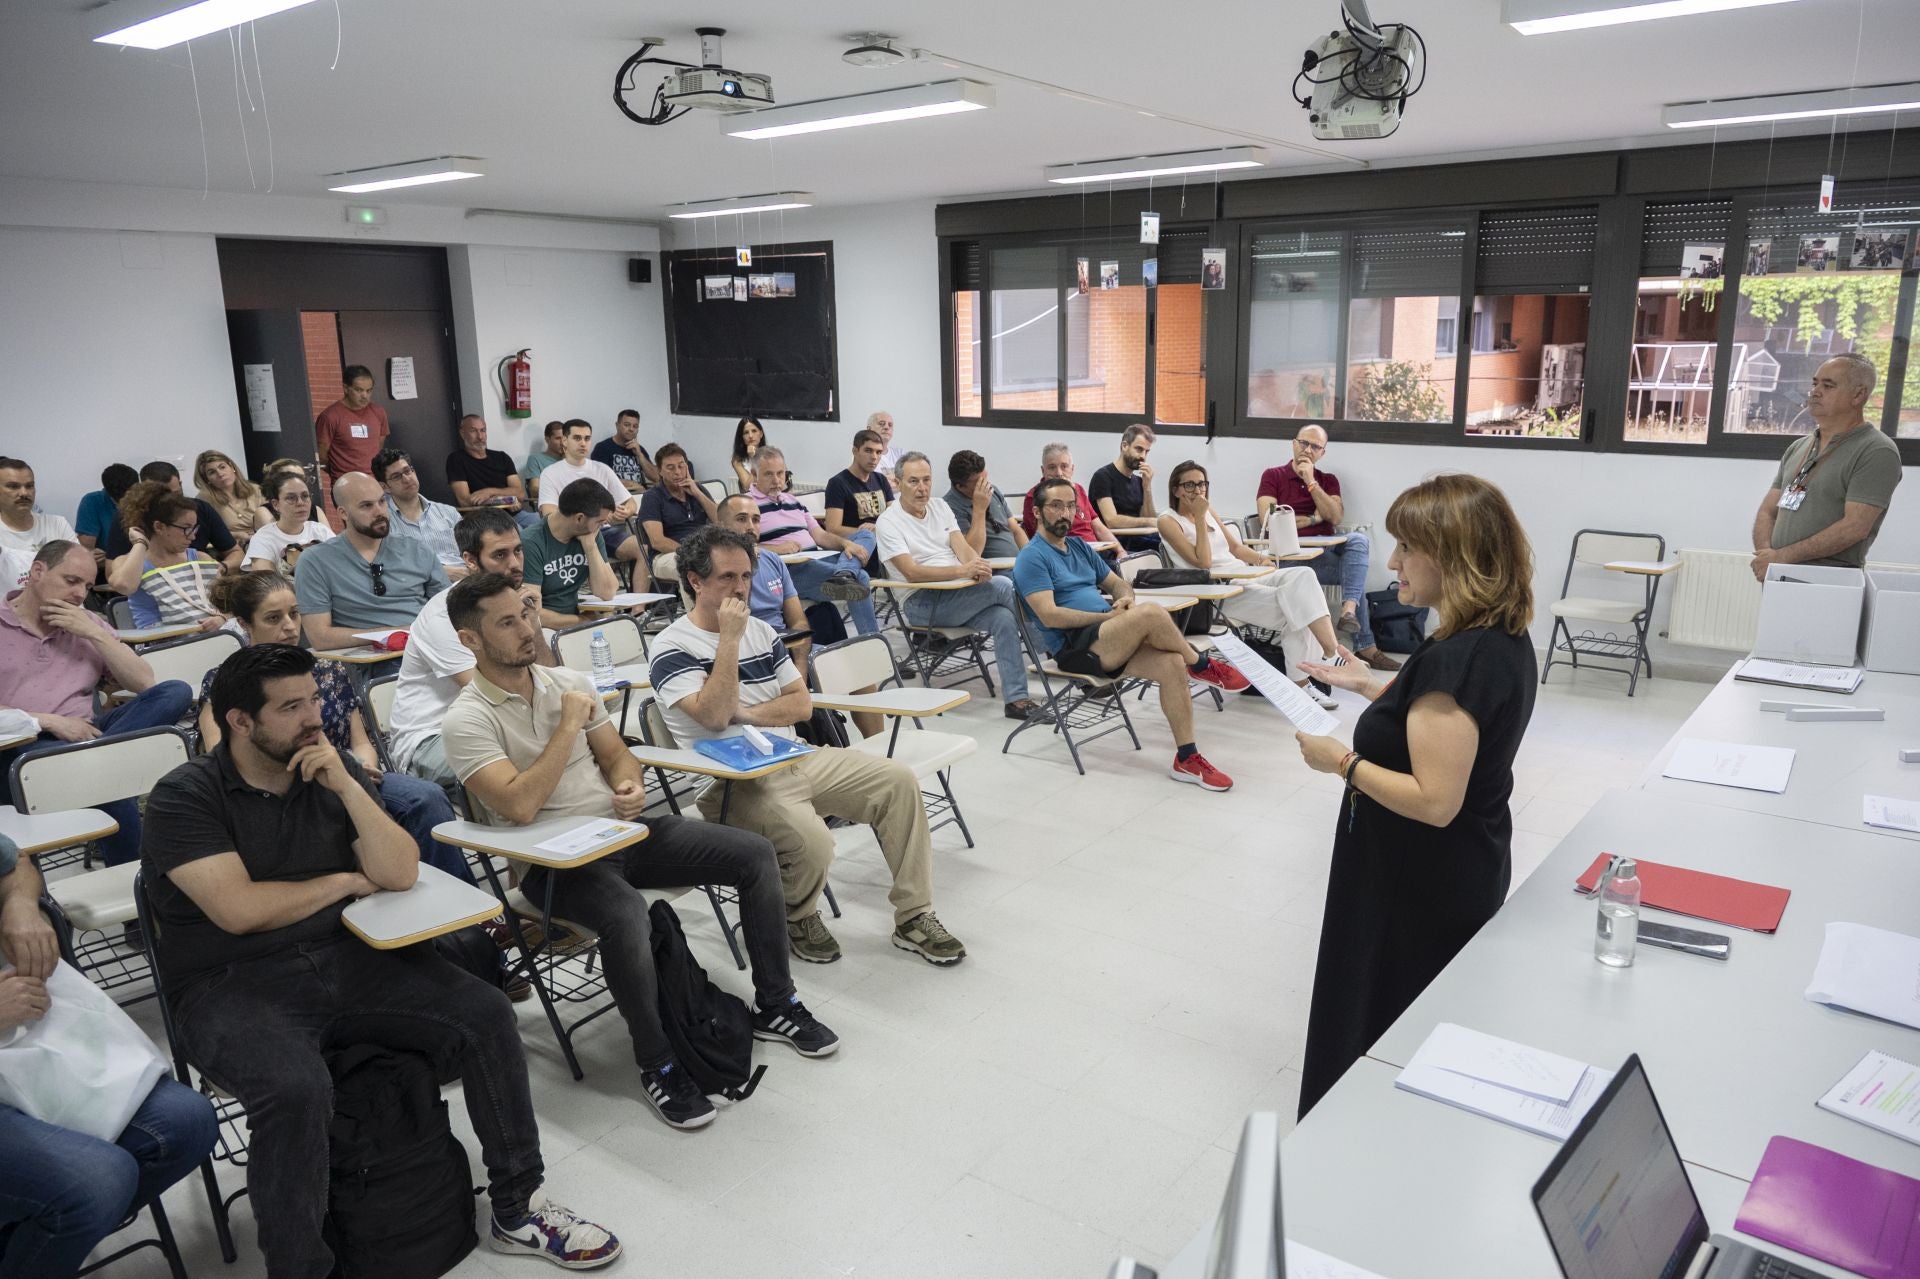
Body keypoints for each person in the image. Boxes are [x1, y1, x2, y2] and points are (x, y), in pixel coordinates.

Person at [141, 644, 621, 1272]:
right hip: (228, 982)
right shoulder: (185, 796)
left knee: (485, 1013)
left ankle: (518, 1205)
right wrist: (342, 884)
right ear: (239, 721)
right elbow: (239, 911)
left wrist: (346, 783)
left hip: (346, 953)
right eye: (292, 707)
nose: (315, 717)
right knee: (296, 1089)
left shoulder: (325, 765)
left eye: (314, 699)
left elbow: (397, 873)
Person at [441, 573, 838, 1130]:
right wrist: (568, 726)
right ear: (470, 640)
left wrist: (628, 785)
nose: (527, 629)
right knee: (629, 913)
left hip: (619, 832)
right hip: (553, 862)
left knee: (752, 854)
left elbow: (618, 758)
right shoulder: (466, 719)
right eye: (507, 622)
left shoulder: (566, 680)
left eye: (527, 614)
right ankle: (658, 1062)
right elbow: (520, 806)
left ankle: (776, 1003)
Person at [1292, 473, 1538, 1118]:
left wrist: (1341, 761)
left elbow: (1434, 799)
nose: (1394, 562)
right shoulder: (1494, 640)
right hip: (1457, 865)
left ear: (1453, 555)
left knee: (1384, 1021)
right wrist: (1374, 686)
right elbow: (1440, 727)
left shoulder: (1454, 662)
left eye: (1407, 548)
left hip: (1415, 878)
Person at [653, 526, 966, 968]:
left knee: (897, 781)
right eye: (726, 577)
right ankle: (795, 914)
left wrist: (746, 713)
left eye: (745, 576)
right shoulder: (671, 647)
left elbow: (800, 706)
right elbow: (713, 717)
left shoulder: (761, 631)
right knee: (815, 841)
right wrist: (727, 641)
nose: (740, 587)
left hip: (794, 757)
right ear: (695, 580)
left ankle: (914, 916)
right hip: (732, 784)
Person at [0, 832, 219, 1279]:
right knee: (96, 1182)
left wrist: (20, 906)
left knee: (186, 1123)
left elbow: (16, 863)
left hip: (19, 1044)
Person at [195, 570, 482, 895]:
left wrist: (360, 765)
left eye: (294, 613)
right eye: (273, 618)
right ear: (245, 625)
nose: (289, 626)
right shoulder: (224, 681)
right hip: (281, 787)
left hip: (349, 774)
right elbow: (220, 754)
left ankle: (462, 908)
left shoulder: (328, 669)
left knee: (424, 798)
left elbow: (360, 741)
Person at [1015, 477, 1247, 791]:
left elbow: (1117, 583)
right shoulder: (1032, 556)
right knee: (1151, 613)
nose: (1065, 512)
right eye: (1056, 505)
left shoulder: (1080, 547)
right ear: (1038, 512)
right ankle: (1202, 664)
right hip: (1075, 647)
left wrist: (1125, 599)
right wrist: (1108, 615)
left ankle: (1187, 758)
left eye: (1070, 505)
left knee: (1171, 665)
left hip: (1106, 634)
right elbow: (1050, 615)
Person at [0, 540, 194, 866]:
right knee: (111, 789)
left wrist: (95, 633)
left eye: (88, 586)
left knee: (176, 691)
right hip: (22, 746)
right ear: (37, 572)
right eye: (71, 581)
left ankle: (100, 761)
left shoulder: (87, 622)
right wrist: (47, 721)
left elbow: (145, 684)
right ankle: (140, 903)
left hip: (88, 734)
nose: (79, 594)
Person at [1159, 460, 1346, 710]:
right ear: (1176, 490)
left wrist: (1261, 560)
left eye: (1202, 484)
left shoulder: (1208, 510)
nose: (1198, 490)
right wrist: (1201, 517)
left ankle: (1330, 652)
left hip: (1243, 575)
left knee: (1303, 575)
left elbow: (1235, 548)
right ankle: (1304, 685)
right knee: (1295, 611)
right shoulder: (1168, 521)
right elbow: (1203, 563)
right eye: (1190, 485)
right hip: (1216, 591)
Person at [389, 510, 553, 791]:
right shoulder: (443, 617)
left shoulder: (515, 605)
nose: (514, 564)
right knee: (541, 754)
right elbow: (490, 693)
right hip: (432, 737)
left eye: (518, 551)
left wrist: (534, 625)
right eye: (500, 555)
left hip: (497, 721)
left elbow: (550, 681)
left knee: (574, 737)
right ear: (470, 561)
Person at [877, 453, 1046, 723]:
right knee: (1004, 585)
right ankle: (1058, 650)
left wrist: (976, 567)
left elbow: (966, 551)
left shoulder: (940, 507)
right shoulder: (888, 521)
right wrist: (963, 570)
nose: (922, 488)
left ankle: (1017, 701)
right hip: (922, 602)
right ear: (898, 483)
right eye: (913, 481)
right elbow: (911, 572)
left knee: (1003, 617)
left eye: (926, 480)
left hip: (958, 592)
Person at [1255, 425, 1401, 672]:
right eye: (1303, 443)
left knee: (1358, 541)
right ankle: (1366, 647)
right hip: (1289, 557)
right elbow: (1268, 520)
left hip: (1323, 555)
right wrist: (1313, 518)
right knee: (1356, 579)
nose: (1307, 450)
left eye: (1315, 447)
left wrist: (1310, 482)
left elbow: (1334, 517)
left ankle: (1348, 610)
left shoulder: (1327, 480)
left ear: (1322, 453)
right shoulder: (1273, 475)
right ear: (1293, 443)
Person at [1751, 352, 1903, 580]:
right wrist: (1768, 557)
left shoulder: (1876, 450)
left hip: (1829, 581)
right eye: (1815, 383)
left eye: (1828, 385)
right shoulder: (1799, 446)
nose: (1815, 392)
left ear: (1858, 394)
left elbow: (1855, 527)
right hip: (1779, 575)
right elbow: (1767, 511)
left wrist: (1780, 557)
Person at [293, 474, 448, 650]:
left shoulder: (417, 550)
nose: (379, 512)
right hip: (367, 664)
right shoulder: (315, 561)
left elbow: (448, 611)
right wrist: (395, 634)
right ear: (343, 513)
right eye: (367, 506)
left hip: (429, 649)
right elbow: (320, 638)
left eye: (382, 501)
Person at [746, 449, 879, 634]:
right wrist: (776, 549)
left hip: (818, 558)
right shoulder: (747, 505)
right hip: (790, 570)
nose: (776, 480)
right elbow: (742, 547)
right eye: (769, 474)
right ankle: (872, 641)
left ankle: (844, 572)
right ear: (754, 475)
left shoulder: (794, 501)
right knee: (861, 578)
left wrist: (844, 544)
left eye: (780, 473)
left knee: (866, 535)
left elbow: (821, 536)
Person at [105, 484, 224, 632]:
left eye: (195, 528)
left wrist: (222, 618)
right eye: (186, 528)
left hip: (211, 637)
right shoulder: (127, 562)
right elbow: (124, 586)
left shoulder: (201, 558)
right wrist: (140, 542)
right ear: (159, 527)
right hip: (162, 645)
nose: (193, 536)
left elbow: (228, 604)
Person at [521, 478, 623, 626]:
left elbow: (607, 592)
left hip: (576, 618)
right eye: (600, 521)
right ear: (580, 518)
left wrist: (590, 547)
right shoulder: (531, 542)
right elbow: (531, 611)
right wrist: (581, 621)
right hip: (544, 627)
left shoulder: (590, 533)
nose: (602, 525)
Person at [536, 421, 641, 565]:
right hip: (569, 535)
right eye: (577, 438)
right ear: (565, 441)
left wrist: (625, 511)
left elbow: (631, 503)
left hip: (603, 532)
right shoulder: (550, 473)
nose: (583, 443)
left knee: (642, 549)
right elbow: (549, 514)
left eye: (587, 438)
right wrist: (598, 517)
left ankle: (636, 589)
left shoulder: (602, 469)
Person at [108, 461, 242, 571]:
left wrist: (221, 567)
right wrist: (139, 545)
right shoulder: (128, 517)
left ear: (180, 484)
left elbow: (236, 553)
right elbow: (113, 574)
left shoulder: (200, 510)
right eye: (163, 498)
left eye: (176, 494)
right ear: (158, 527)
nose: (172, 502)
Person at [372, 447, 466, 580]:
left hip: (464, 581)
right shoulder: (383, 523)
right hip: (416, 588)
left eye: (408, 471)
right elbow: (388, 567)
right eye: (397, 476)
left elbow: (472, 551)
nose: (407, 479)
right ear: (384, 487)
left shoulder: (448, 512)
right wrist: (439, 572)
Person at [637, 443, 718, 582]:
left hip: (704, 550)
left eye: (681, 466)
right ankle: (697, 605)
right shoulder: (652, 497)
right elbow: (657, 541)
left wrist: (697, 493)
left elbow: (721, 521)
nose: (677, 472)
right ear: (660, 471)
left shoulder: (697, 489)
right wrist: (692, 552)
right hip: (666, 555)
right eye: (670, 467)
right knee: (692, 568)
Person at [1017, 444, 1117, 553]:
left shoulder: (1079, 489)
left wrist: (1120, 551)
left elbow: (1099, 527)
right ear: (1043, 470)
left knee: (1131, 562)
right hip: (1067, 556)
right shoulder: (1034, 496)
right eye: (1052, 467)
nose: (1059, 473)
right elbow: (1043, 537)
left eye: (1064, 466)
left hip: (1095, 552)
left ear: (1072, 469)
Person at [444, 415, 537, 527]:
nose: (480, 436)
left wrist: (489, 492)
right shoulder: (456, 459)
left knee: (545, 521)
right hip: (486, 520)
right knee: (518, 533)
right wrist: (507, 500)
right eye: (473, 431)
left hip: (516, 515)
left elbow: (520, 494)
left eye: (483, 430)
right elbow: (466, 500)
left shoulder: (502, 457)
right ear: (462, 433)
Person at [313, 364, 390, 497]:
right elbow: (322, 455)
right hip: (346, 485)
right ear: (346, 388)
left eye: (369, 390)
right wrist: (340, 470)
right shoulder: (330, 417)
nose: (365, 396)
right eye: (359, 390)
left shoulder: (378, 412)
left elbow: (379, 446)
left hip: (374, 483)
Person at [943, 450, 1027, 560]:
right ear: (960, 486)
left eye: (985, 477)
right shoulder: (948, 507)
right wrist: (979, 510)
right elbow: (972, 552)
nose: (986, 484)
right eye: (979, 482)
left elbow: (1016, 531)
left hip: (1018, 563)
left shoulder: (993, 491)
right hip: (994, 570)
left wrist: (1030, 557)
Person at [246, 469, 334, 573]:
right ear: (276, 504)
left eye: (305, 496)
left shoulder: (320, 530)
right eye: (291, 498)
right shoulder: (263, 538)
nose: (300, 503)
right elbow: (266, 584)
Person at [1089, 424, 1160, 549]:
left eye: (1146, 451)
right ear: (1124, 446)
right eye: (1139, 449)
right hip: (1115, 542)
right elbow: (1111, 521)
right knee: (1165, 543)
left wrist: (1147, 487)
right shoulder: (1103, 476)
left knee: (1171, 538)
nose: (1143, 456)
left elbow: (1149, 519)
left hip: (1137, 538)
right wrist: (1148, 521)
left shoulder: (1139, 481)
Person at [822, 429, 894, 543]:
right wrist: (868, 533)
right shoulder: (837, 483)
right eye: (868, 451)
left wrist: (878, 529)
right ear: (855, 451)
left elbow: (894, 517)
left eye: (878, 452)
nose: (874, 457)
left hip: (884, 541)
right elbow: (832, 529)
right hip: (857, 543)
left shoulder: (881, 479)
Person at [0, 457, 77, 556]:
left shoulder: (58, 525)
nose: (24, 493)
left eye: (29, 486)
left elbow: (80, 567)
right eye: (13, 486)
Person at [194, 449, 269, 549]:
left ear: (232, 467)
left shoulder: (255, 489)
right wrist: (237, 535)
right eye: (212, 472)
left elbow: (273, 520)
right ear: (206, 479)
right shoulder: (203, 500)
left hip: (266, 539)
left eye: (222, 467)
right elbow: (207, 533)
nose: (220, 474)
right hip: (235, 545)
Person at [73, 462, 140, 572]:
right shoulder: (92, 501)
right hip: (106, 572)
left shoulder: (146, 500)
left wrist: (111, 557)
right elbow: (89, 552)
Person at [591, 408, 660, 494]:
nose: (631, 429)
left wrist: (639, 454)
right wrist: (630, 483)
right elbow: (599, 479)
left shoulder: (639, 449)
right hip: (615, 498)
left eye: (635, 426)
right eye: (627, 425)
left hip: (640, 496)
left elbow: (656, 477)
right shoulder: (603, 448)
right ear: (617, 425)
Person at [518, 420, 568, 505]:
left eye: (564, 438)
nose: (562, 443)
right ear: (547, 440)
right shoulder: (535, 459)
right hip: (550, 506)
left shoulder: (571, 459)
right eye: (558, 438)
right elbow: (534, 490)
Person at [730, 416, 766, 493]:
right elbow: (748, 487)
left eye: (754, 431)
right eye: (746, 432)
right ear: (742, 437)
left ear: (761, 434)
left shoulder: (770, 454)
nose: (750, 436)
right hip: (751, 500)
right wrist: (753, 458)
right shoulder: (737, 460)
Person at [865, 411, 901, 485]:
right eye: (881, 424)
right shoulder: (862, 455)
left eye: (890, 425)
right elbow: (873, 486)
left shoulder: (900, 453)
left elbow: (913, 481)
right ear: (869, 429)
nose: (886, 427)